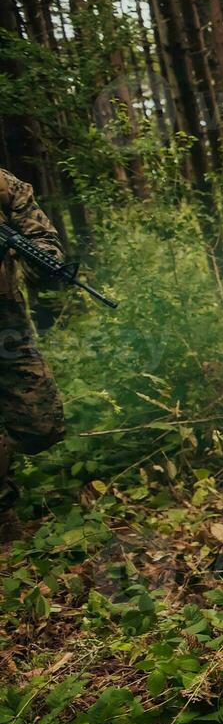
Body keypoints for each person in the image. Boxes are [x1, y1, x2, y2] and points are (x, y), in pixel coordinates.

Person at [0, 168, 68, 543]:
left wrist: (44, 258)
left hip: (6, 320)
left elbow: (42, 237)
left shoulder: (5, 185)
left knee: (41, 424)